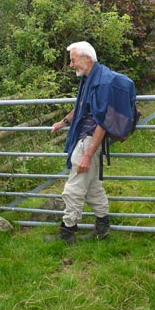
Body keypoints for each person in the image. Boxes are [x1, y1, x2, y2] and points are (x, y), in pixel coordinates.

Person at [47, 41, 112, 244]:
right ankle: (103, 228)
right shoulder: (90, 79)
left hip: (89, 140)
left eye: (74, 60)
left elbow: (103, 120)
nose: (71, 65)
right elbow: (83, 108)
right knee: (93, 187)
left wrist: (87, 154)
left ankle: (67, 232)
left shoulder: (100, 83)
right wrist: (63, 122)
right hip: (87, 138)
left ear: (86, 59)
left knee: (73, 188)